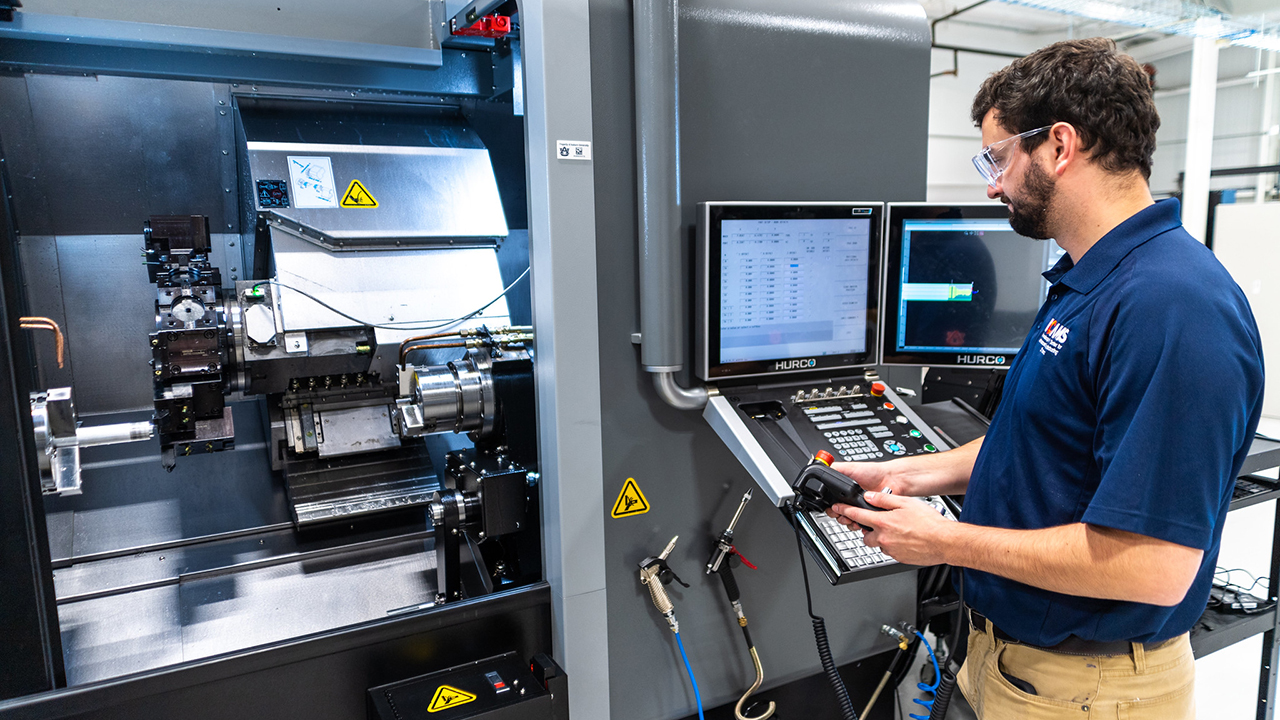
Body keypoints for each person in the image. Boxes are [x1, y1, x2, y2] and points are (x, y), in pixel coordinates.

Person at [828, 38, 1264, 719]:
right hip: (1011, 663)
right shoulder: (1089, 280)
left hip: (1087, 689)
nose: (993, 183)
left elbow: (1153, 565)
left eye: (999, 158)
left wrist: (940, 540)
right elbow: (1041, 446)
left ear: (1060, 146)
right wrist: (919, 475)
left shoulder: (1172, 306)